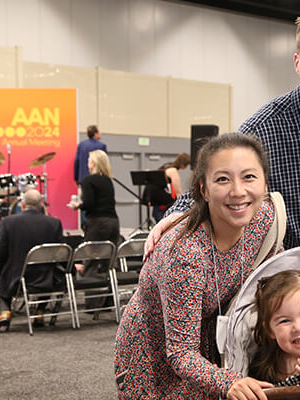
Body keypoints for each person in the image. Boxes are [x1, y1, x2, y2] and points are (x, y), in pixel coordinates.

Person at [153, 8, 300, 255]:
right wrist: (176, 215)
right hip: (294, 271)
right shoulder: (261, 129)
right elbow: (219, 185)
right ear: (297, 62)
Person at [114, 133, 281, 399]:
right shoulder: (186, 255)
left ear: (264, 183)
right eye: (223, 179)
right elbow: (180, 352)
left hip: (209, 338)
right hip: (154, 355)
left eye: (249, 177)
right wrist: (229, 381)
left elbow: (277, 261)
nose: (238, 191)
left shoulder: (264, 217)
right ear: (203, 189)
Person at [0, 189, 64, 332]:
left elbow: (0, 252)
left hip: (17, 278)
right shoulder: (54, 223)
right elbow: (60, 252)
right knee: (49, 268)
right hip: (46, 278)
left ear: (22, 205)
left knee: (1, 274)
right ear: (41, 205)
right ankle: (40, 311)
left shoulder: (8, 222)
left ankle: (5, 311)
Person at [68, 149, 119, 311]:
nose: (87, 163)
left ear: (94, 163)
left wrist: (78, 206)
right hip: (113, 222)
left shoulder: (88, 180)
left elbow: (89, 203)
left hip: (98, 223)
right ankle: (107, 302)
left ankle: (92, 303)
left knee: (91, 259)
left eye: (89, 160)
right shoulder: (108, 180)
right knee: (108, 262)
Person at [145, 152, 190, 222]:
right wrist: (184, 207)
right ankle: (166, 223)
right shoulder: (173, 171)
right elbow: (178, 192)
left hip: (150, 191)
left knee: (160, 209)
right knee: (173, 202)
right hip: (157, 193)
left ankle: (161, 221)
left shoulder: (167, 165)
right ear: (184, 164)